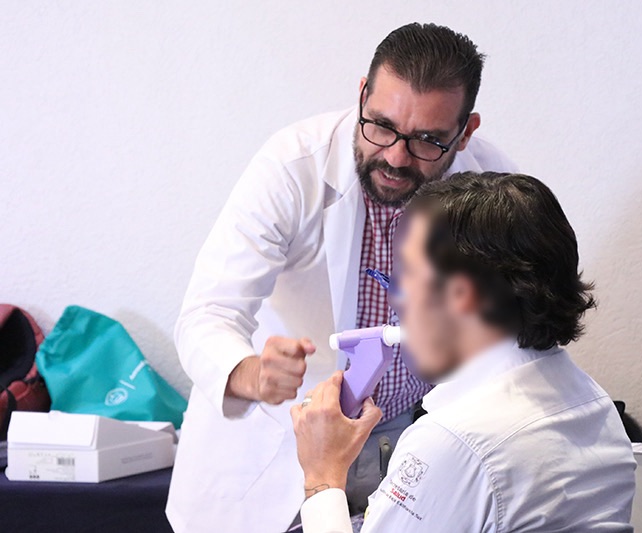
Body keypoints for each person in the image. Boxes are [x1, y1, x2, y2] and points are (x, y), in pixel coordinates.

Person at [167, 23, 516, 533]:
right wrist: (252, 374)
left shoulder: (491, 187)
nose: (395, 156)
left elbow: (509, 324)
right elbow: (207, 313)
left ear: (465, 132)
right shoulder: (293, 167)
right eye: (381, 125)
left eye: (427, 141)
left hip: (413, 444)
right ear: (362, 96)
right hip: (282, 445)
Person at [292, 172, 637, 532]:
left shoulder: (454, 443)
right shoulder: (595, 404)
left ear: (461, 296)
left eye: (402, 283)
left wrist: (322, 475)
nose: (395, 305)